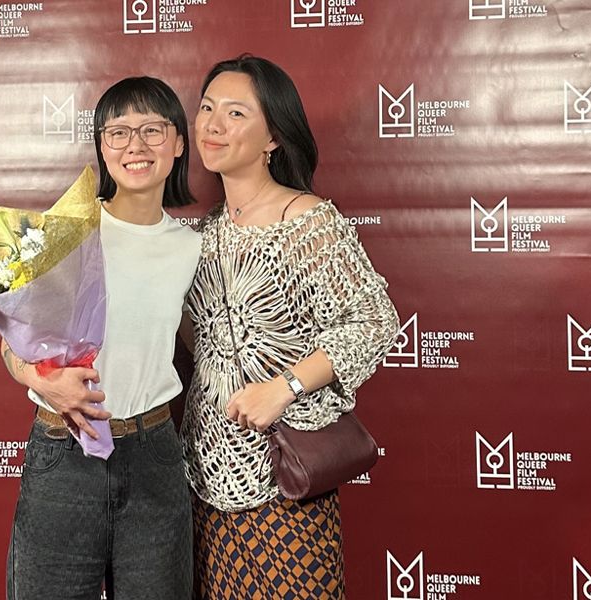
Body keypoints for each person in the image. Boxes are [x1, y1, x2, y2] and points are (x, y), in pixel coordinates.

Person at [182, 55, 400, 599]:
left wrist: (285, 387)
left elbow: (375, 321)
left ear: (273, 136)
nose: (212, 125)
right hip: (203, 479)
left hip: (285, 478)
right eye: (206, 108)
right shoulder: (200, 235)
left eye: (235, 114)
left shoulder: (306, 221)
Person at [1, 76, 201, 600]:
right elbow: (9, 343)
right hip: (62, 450)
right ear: (102, 147)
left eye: (153, 130)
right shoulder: (66, 231)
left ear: (179, 143)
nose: (136, 145)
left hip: (154, 455)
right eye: (118, 132)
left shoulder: (192, 248)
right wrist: (43, 383)